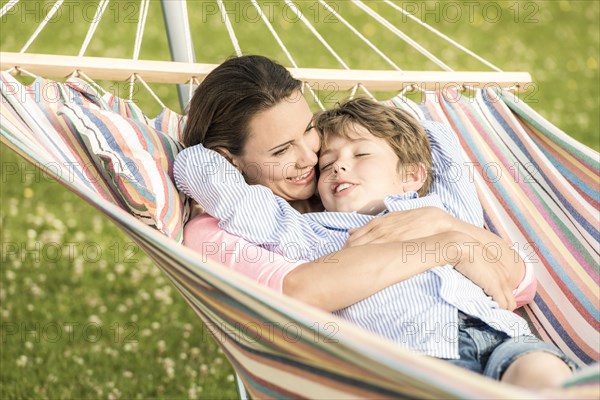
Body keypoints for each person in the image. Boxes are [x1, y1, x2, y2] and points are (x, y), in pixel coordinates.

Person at [175, 97, 575, 387]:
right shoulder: (311, 233)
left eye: (360, 153)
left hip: (501, 335)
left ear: (414, 174)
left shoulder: (441, 207)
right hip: (413, 359)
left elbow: (438, 134)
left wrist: (377, 113)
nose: (338, 165)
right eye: (327, 163)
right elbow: (195, 164)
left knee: (546, 374)